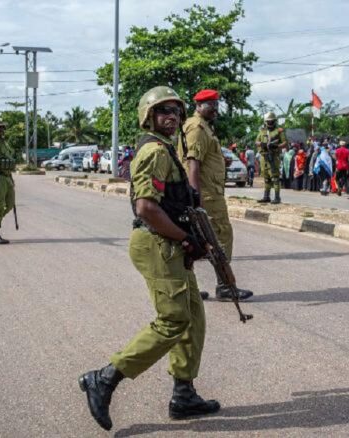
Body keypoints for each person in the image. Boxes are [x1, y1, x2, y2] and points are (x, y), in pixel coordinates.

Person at [79, 86, 219, 432]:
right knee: (173, 320)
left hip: (168, 242)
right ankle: (105, 378)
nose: (170, 117)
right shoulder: (155, 152)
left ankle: (183, 395)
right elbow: (146, 208)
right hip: (157, 243)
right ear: (148, 116)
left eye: (175, 111)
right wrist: (186, 239)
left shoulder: (167, 149)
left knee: (193, 317)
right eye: (162, 112)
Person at [178, 88, 253, 302]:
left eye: (217, 105)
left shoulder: (202, 128)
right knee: (219, 237)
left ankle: (189, 289)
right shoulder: (197, 128)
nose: (215, 109)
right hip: (207, 196)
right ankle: (225, 287)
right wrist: (196, 198)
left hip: (210, 193)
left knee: (197, 240)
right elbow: (193, 164)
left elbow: (202, 159)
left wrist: (221, 161)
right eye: (211, 105)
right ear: (199, 106)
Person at [255, 112, 287, 204]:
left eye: (271, 121)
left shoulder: (279, 131)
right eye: (268, 121)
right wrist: (261, 144)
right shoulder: (262, 131)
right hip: (263, 156)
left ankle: (277, 197)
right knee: (266, 178)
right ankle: (266, 196)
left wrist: (276, 146)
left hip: (274, 156)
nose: (269, 123)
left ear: (274, 121)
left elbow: (285, 143)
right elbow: (256, 141)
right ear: (265, 122)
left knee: (275, 178)